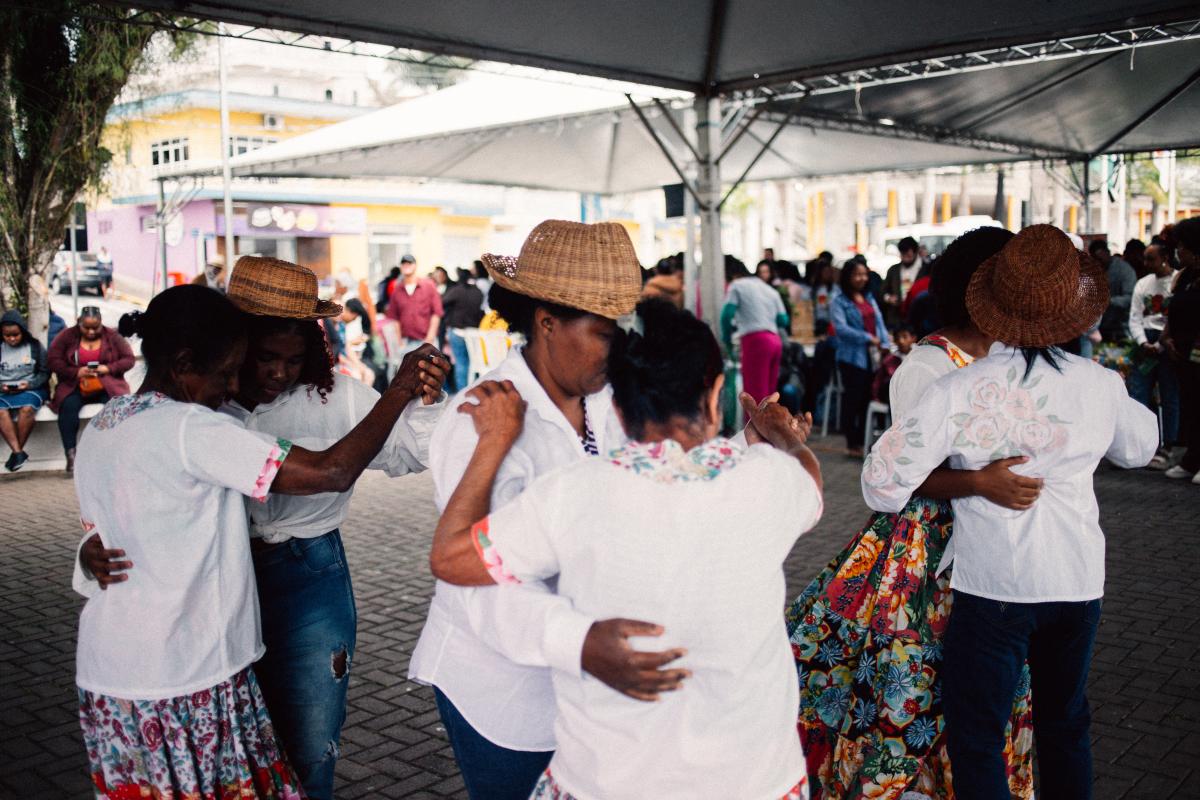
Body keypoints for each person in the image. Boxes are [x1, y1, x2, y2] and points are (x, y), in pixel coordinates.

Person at [429, 300, 823, 800]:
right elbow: (809, 478)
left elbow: (450, 559)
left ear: (617, 408)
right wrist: (783, 436)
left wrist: (494, 441)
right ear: (715, 397)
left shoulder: (572, 493)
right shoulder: (769, 481)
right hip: (754, 780)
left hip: (609, 780)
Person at [71, 284, 446, 800]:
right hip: (187, 667)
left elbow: (115, 525)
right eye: (241, 365)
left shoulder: (102, 425)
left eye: (291, 359)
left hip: (114, 672)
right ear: (189, 361)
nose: (238, 383)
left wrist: (90, 552)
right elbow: (331, 471)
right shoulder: (193, 424)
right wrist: (399, 389)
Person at [861, 224, 1159, 799]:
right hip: (1077, 582)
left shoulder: (961, 388)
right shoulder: (1099, 383)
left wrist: (972, 479)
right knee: (1066, 725)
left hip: (995, 586)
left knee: (978, 736)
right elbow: (1141, 447)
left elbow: (880, 485)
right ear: (1072, 312)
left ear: (988, 302)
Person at [410, 220, 684, 800]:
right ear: (547, 322)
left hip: (587, 676)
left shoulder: (607, 401)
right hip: (505, 690)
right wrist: (580, 641)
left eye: (621, 330)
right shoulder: (481, 418)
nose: (617, 348)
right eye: (603, 332)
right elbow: (480, 580)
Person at [788, 227, 1039, 798]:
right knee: (918, 683)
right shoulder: (928, 365)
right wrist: (980, 482)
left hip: (995, 545)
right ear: (981, 291)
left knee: (989, 685)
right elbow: (900, 477)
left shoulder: (1009, 356)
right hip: (927, 554)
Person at [47, 306, 136, 472]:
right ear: (78, 323)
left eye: (95, 327)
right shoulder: (66, 336)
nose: (91, 332)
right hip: (75, 385)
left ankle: (114, 453)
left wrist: (108, 368)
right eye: (86, 328)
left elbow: (129, 359)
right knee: (67, 408)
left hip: (106, 384)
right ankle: (71, 455)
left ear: (101, 323)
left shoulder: (112, 336)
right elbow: (53, 360)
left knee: (117, 408)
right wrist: (76, 372)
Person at [1127, 243, 1180, 470]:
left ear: (1165, 257)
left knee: (1169, 395)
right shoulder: (1143, 283)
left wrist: (1160, 344)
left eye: (1151, 259)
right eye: (1145, 259)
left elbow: (1176, 317)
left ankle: (1170, 444)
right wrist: (1143, 342)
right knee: (1138, 394)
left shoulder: (1178, 281)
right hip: (1145, 341)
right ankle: (1143, 444)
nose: (1146, 263)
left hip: (1167, 341)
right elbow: (1135, 317)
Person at [831, 260, 890, 456]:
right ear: (848, 277)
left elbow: (880, 322)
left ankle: (864, 441)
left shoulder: (869, 297)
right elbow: (841, 329)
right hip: (851, 358)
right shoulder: (839, 301)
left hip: (872, 358)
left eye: (864, 274)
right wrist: (867, 338)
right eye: (857, 274)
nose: (862, 278)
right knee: (853, 400)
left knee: (867, 399)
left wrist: (884, 342)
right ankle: (852, 442)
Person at [1161, 216, 1200, 483]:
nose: (1178, 251)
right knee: (1190, 407)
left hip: (1196, 350)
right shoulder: (1185, 277)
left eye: (1182, 246)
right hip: (1182, 353)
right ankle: (1191, 460)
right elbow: (1173, 311)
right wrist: (1167, 338)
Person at [722, 256, 788, 405]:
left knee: (755, 400)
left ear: (731, 275)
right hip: (775, 342)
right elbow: (783, 320)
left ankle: (754, 422)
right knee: (770, 399)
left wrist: (727, 341)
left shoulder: (736, 285)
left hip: (756, 342)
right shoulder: (769, 290)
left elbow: (726, 315)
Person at [0, 310, 50, 471]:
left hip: (30, 389)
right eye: (7, 336)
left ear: (22, 332)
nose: (12, 339)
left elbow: (45, 372)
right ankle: (18, 453)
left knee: (27, 409)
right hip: (4, 391)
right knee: (0, 411)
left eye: (15, 335)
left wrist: (29, 385)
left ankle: (17, 453)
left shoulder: (34, 346)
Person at [385, 254, 443, 350]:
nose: (406, 266)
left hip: (427, 340)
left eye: (409, 263)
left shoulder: (428, 285)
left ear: (415, 266)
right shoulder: (397, 290)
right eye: (404, 263)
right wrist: (399, 341)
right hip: (407, 342)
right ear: (400, 267)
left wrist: (430, 337)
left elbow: (436, 313)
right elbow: (395, 317)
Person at [442, 268, 486, 392]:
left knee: (461, 363)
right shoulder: (478, 292)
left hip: (457, 331)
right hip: (474, 332)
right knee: (474, 364)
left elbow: (442, 302)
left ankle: (462, 393)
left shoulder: (457, 290)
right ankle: (473, 391)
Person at [1092, 239, 1137, 341]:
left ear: (1107, 252)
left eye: (1100, 259)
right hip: (1100, 326)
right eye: (1095, 260)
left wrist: (1109, 301)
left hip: (1121, 326)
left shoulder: (1124, 270)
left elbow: (1130, 298)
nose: (1098, 262)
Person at [883, 236, 923, 328]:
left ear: (915, 252)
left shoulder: (925, 269)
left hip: (919, 319)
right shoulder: (893, 270)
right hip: (897, 318)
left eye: (908, 255)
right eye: (902, 254)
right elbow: (882, 291)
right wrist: (888, 298)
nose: (905, 258)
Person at [872, 324, 915, 404]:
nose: (901, 341)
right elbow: (878, 380)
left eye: (905, 337)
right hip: (893, 399)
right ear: (895, 341)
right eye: (898, 338)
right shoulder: (889, 360)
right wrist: (876, 397)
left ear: (913, 338)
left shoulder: (919, 357)